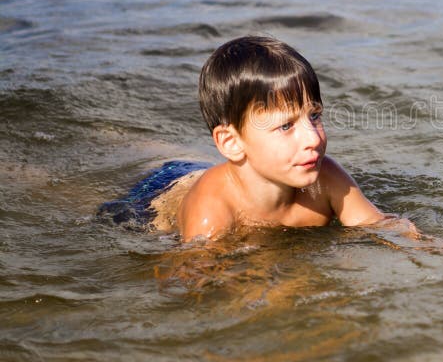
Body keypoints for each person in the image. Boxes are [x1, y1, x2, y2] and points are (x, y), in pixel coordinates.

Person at [101, 35, 414, 242]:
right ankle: (109, 138)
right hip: (159, 194)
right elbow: (189, 280)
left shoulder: (325, 179)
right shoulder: (213, 209)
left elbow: (382, 226)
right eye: (286, 126)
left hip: (220, 167)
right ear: (231, 142)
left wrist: (438, 252)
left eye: (314, 116)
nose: (312, 139)